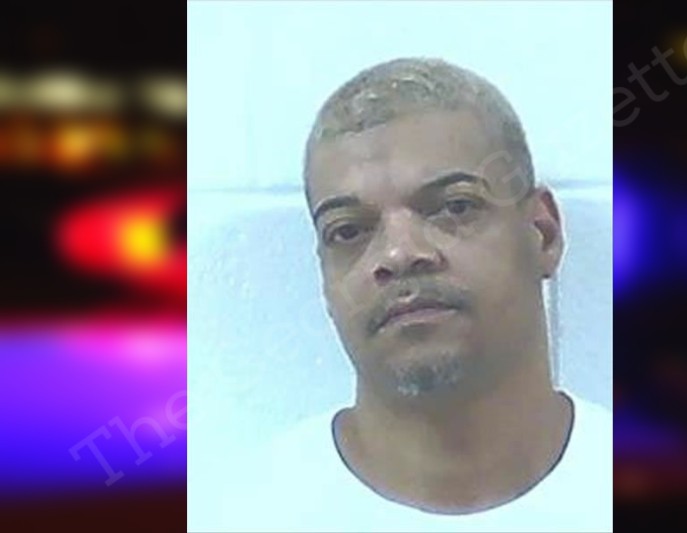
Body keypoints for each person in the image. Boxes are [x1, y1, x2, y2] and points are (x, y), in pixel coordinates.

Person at [220, 57, 612, 533]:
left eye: (455, 206)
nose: (399, 253)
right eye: (348, 231)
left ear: (542, 234)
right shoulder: (235, 514)